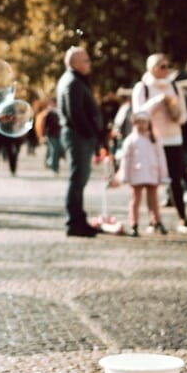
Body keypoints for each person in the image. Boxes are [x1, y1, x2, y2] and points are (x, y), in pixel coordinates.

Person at [131, 53, 187, 233]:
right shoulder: (142, 88)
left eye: (168, 66)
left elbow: (184, 116)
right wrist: (158, 101)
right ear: (151, 68)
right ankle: (154, 219)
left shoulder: (174, 87)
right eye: (162, 66)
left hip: (174, 138)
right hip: (151, 140)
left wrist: (174, 111)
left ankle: (182, 217)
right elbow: (139, 114)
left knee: (176, 179)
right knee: (151, 182)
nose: (166, 70)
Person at [57, 46, 104, 237]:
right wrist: (90, 134)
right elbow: (75, 113)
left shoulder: (74, 80)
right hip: (77, 136)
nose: (89, 63)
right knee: (77, 179)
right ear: (74, 63)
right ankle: (74, 222)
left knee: (79, 180)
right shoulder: (72, 82)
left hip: (78, 136)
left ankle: (79, 219)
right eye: (85, 60)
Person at [116, 111, 169, 235]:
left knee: (153, 200)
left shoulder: (154, 139)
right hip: (137, 173)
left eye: (144, 122)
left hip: (152, 172)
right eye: (139, 122)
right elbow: (126, 159)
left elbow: (161, 157)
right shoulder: (131, 140)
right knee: (135, 200)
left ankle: (156, 220)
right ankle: (134, 223)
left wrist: (163, 174)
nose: (142, 125)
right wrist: (124, 175)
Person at [41, 100, 64, 174]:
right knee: (54, 150)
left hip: (59, 135)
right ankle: (54, 167)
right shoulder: (49, 113)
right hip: (51, 135)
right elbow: (44, 125)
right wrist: (43, 135)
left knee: (58, 150)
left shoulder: (60, 112)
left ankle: (51, 163)